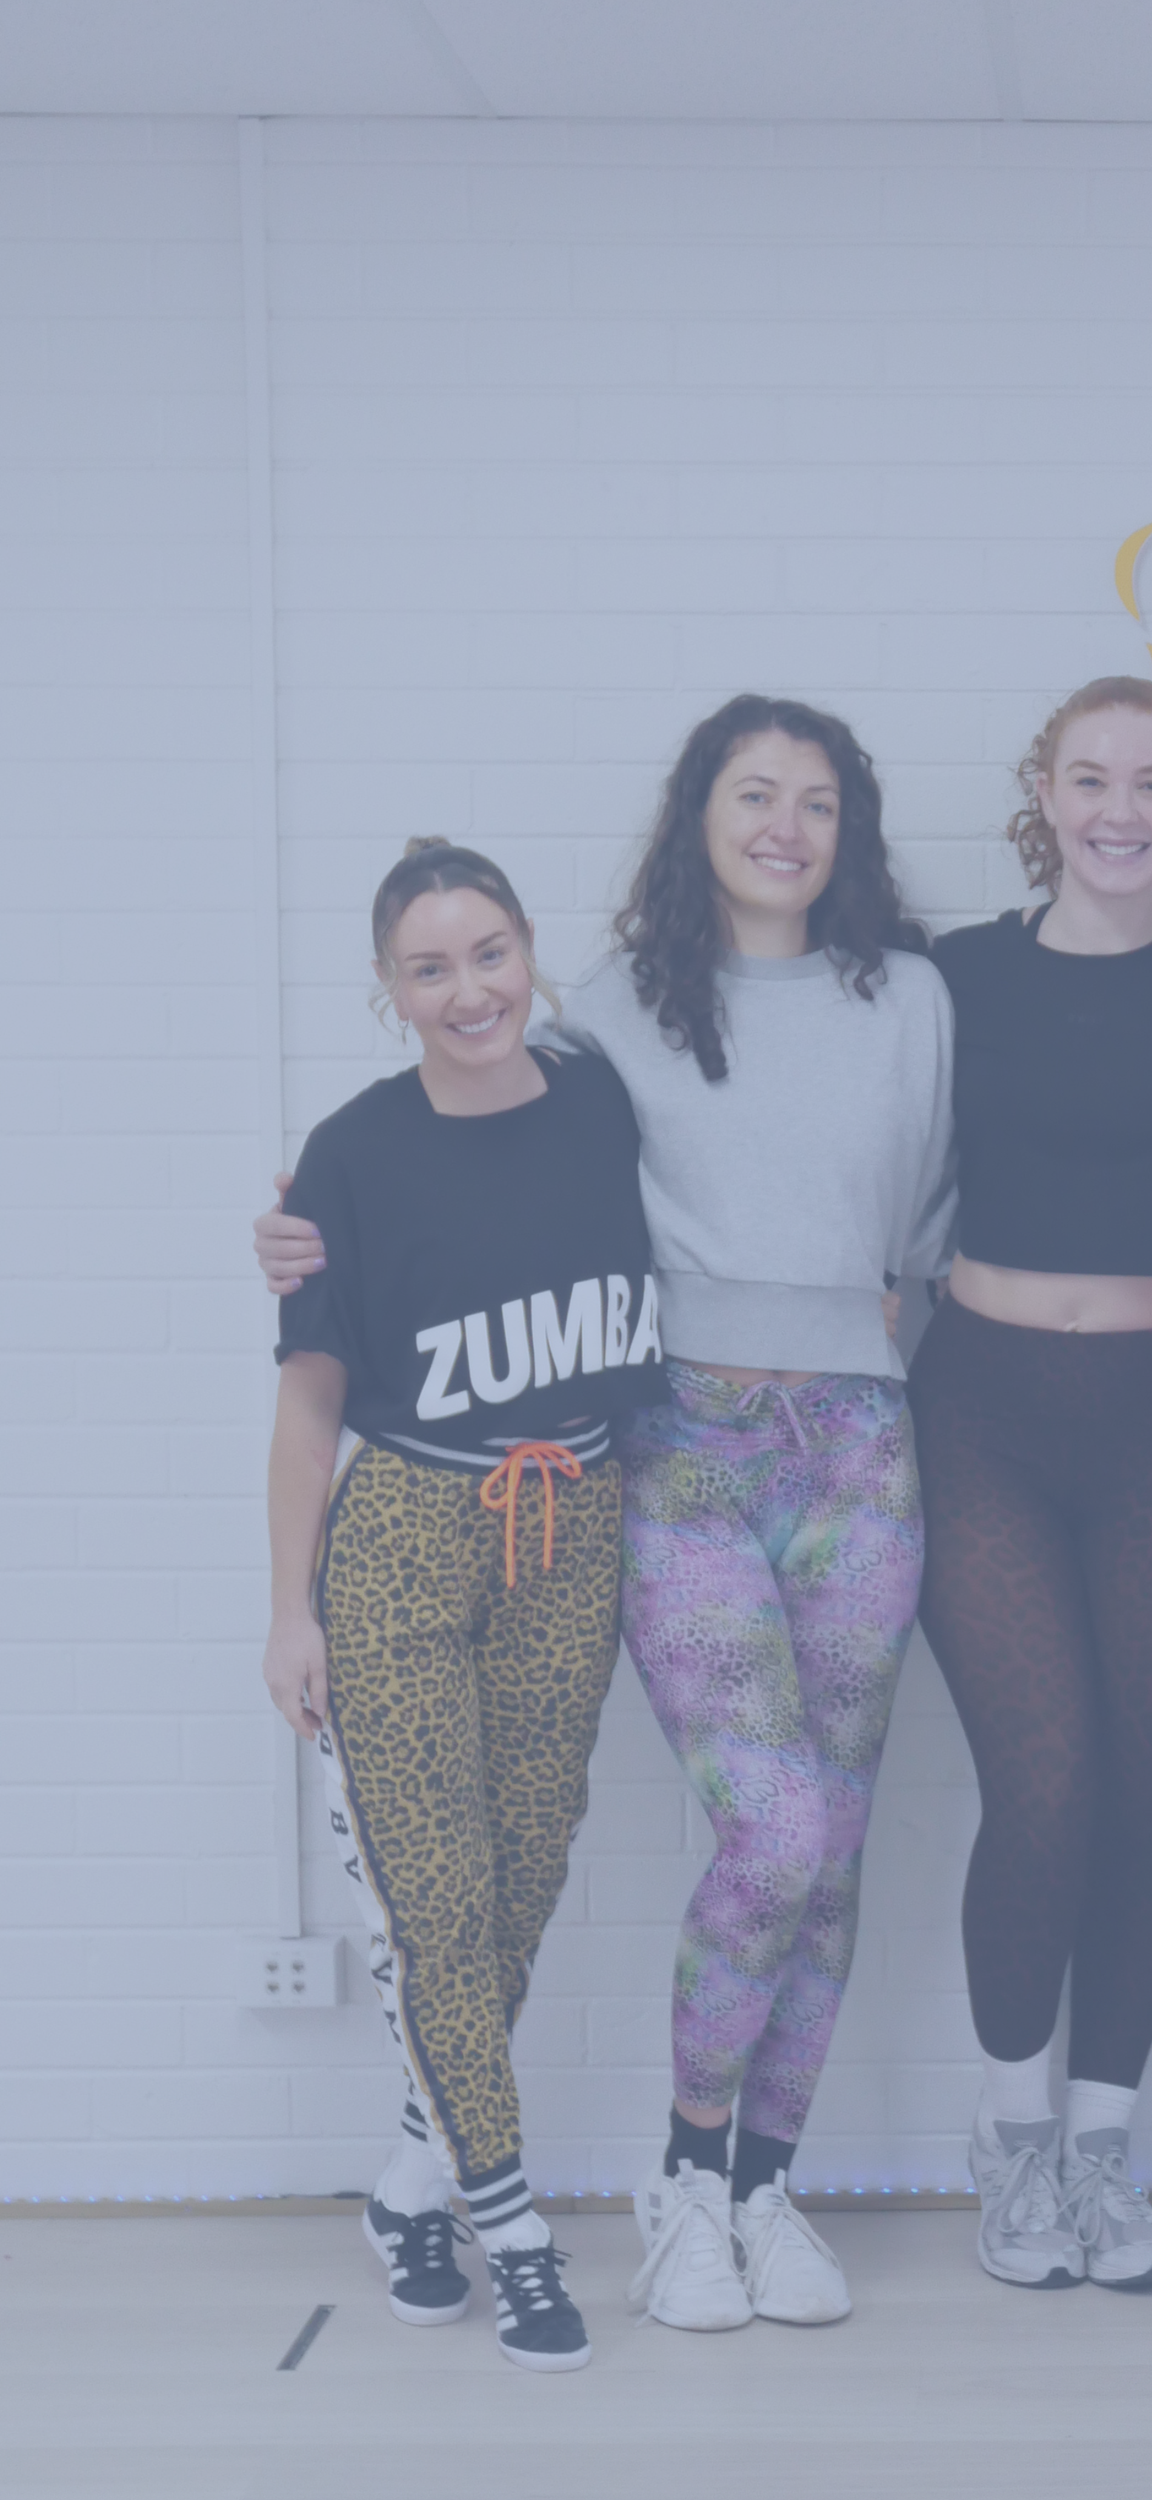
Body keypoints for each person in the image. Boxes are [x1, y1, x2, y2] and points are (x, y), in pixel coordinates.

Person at [256, 696, 955, 2335]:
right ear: (694, 818)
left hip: (859, 1444)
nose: (783, 823)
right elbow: (438, 1136)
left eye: (816, 800)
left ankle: (754, 2189)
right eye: (749, 792)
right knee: (764, 1829)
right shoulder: (609, 1026)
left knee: (827, 1853)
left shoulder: (912, 1000)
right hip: (673, 1453)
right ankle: (673, 2181)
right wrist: (296, 1239)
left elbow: (931, 1215)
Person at [261, 840, 668, 2371]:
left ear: (528, 951)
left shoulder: (604, 1100)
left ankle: (410, 2187)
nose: (469, 990)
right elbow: (311, 1409)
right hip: (409, 1529)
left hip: (574, 1518)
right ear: (389, 989)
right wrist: (290, 1612)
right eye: (430, 968)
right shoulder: (353, 1155)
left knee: (522, 1871)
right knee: (434, 1896)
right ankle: (514, 2228)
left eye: (489, 952)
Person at [917, 675, 1152, 2291]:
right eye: (1090, 779)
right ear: (1043, 796)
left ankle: (1106, 2155)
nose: (1120, 809)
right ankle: (1011, 2142)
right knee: (1046, 1783)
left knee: (1145, 1793)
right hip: (983, 1407)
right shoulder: (956, 976)